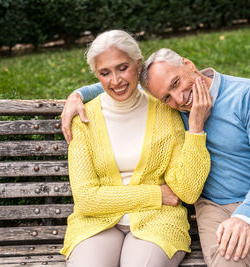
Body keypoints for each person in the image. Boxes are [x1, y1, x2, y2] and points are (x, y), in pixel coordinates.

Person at [62, 48, 250, 267]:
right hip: (212, 207)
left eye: (177, 82)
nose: (180, 98)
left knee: (230, 258)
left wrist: (246, 217)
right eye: (167, 97)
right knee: (226, 255)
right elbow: (122, 84)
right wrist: (78, 94)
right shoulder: (173, 109)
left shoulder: (247, 94)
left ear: (189, 64)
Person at [60, 31, 212, 267]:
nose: (115, 80)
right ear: (96, 75)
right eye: (105, 73)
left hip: (158, 222)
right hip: (95, 222)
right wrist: (156, 194)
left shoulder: (165, 111)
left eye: (122, 68)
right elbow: (86, 200)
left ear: (138, 65)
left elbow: (188, 192)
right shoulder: (83, 120)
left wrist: (195, 129)